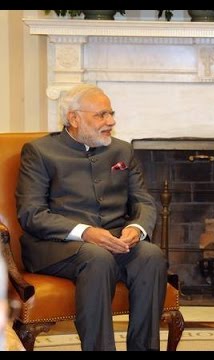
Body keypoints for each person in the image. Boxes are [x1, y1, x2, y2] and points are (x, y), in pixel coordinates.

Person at [15, 84, 168, 351]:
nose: (111, 121)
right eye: (101, 115)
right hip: (57, 247)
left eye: (111, 113)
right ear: (74, 118)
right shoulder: (40, 152)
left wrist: (136, 228)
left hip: (114, 241)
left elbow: (143, 200)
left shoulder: (122, 151)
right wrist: (85, 232)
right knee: (97, 257)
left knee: (151, 255)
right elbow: (31, 214)